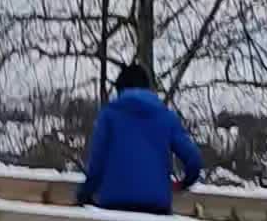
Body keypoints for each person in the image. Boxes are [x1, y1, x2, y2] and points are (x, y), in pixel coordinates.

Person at [76, 63, 202, 212]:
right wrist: (183, 184)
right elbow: (193, 160)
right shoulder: (166, 116)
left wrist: (84, 195)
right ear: (148, 89)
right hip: (156, 208)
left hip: (115, 207)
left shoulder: (109, 115)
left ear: (121, 89)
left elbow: (96, 164)